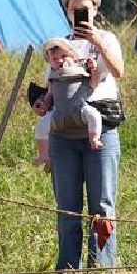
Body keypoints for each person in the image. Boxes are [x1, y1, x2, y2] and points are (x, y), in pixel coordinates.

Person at [49, 0, 125, 269]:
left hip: (101, 129)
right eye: (73, 10)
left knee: (102, 205)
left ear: (95, 9)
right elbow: (52, 88)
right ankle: (68, 269)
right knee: (67, 208)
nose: (79, 15)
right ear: (67, 12)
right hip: (65, 134)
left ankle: (102, 267)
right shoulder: (60, 44)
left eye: (85, 9)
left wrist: (97, 43)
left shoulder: (107, 38)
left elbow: (118, 71)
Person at [32, 37, 103, 173]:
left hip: (79, 108)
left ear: (74, 56)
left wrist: (93, 69)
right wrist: (45, 104)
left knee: (94, 115)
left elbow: (94, 85)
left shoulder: (81, 69)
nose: (60, 61)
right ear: (49, 62)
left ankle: (94, 138)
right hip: (59, 112)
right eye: (54, 59)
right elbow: (50, 94)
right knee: (41, 127)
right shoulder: (53, 77)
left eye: (64, 56)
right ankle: (43, 155)